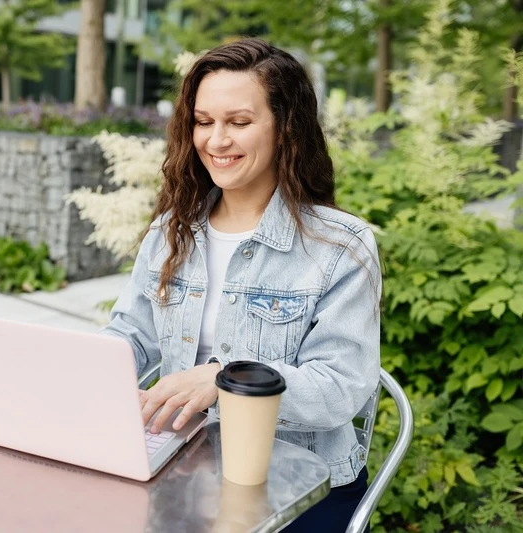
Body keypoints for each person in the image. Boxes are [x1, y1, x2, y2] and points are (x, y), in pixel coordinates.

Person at [100, 37, 381, 532]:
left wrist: (223, 380)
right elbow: (132, 336)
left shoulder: (341, 245)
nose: (216, 140)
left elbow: (341, 389)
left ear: (286, 129)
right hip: (184, 470)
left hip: (299, 488)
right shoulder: (172, 230)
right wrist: (69, 371)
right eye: (204, 122)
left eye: (240, 122)